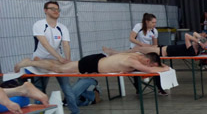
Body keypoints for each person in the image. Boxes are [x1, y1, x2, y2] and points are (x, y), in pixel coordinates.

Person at [31, 1, 88, 114]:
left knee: (67, 88)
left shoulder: (62, 28)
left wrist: (67, 60)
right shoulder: (39, 25)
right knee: (40, 90)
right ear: (45, 10)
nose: (56, 11)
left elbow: (66, 44)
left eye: (57, 9)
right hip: (40, 61)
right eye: (52, 9)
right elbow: (45, 44)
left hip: (56, 61)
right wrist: (59, 57)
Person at [14, 52, 167, 75]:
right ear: (148, 60)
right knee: (59, 68)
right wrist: (164, 69)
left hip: (98, 59)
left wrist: (161, 65)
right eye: (151, 64)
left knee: (62, 66)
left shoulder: (137, 54)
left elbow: (147, 66)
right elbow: (147, 70)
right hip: (93, 65)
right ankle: (27, 62)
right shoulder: (134, 60)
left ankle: (39, 62)